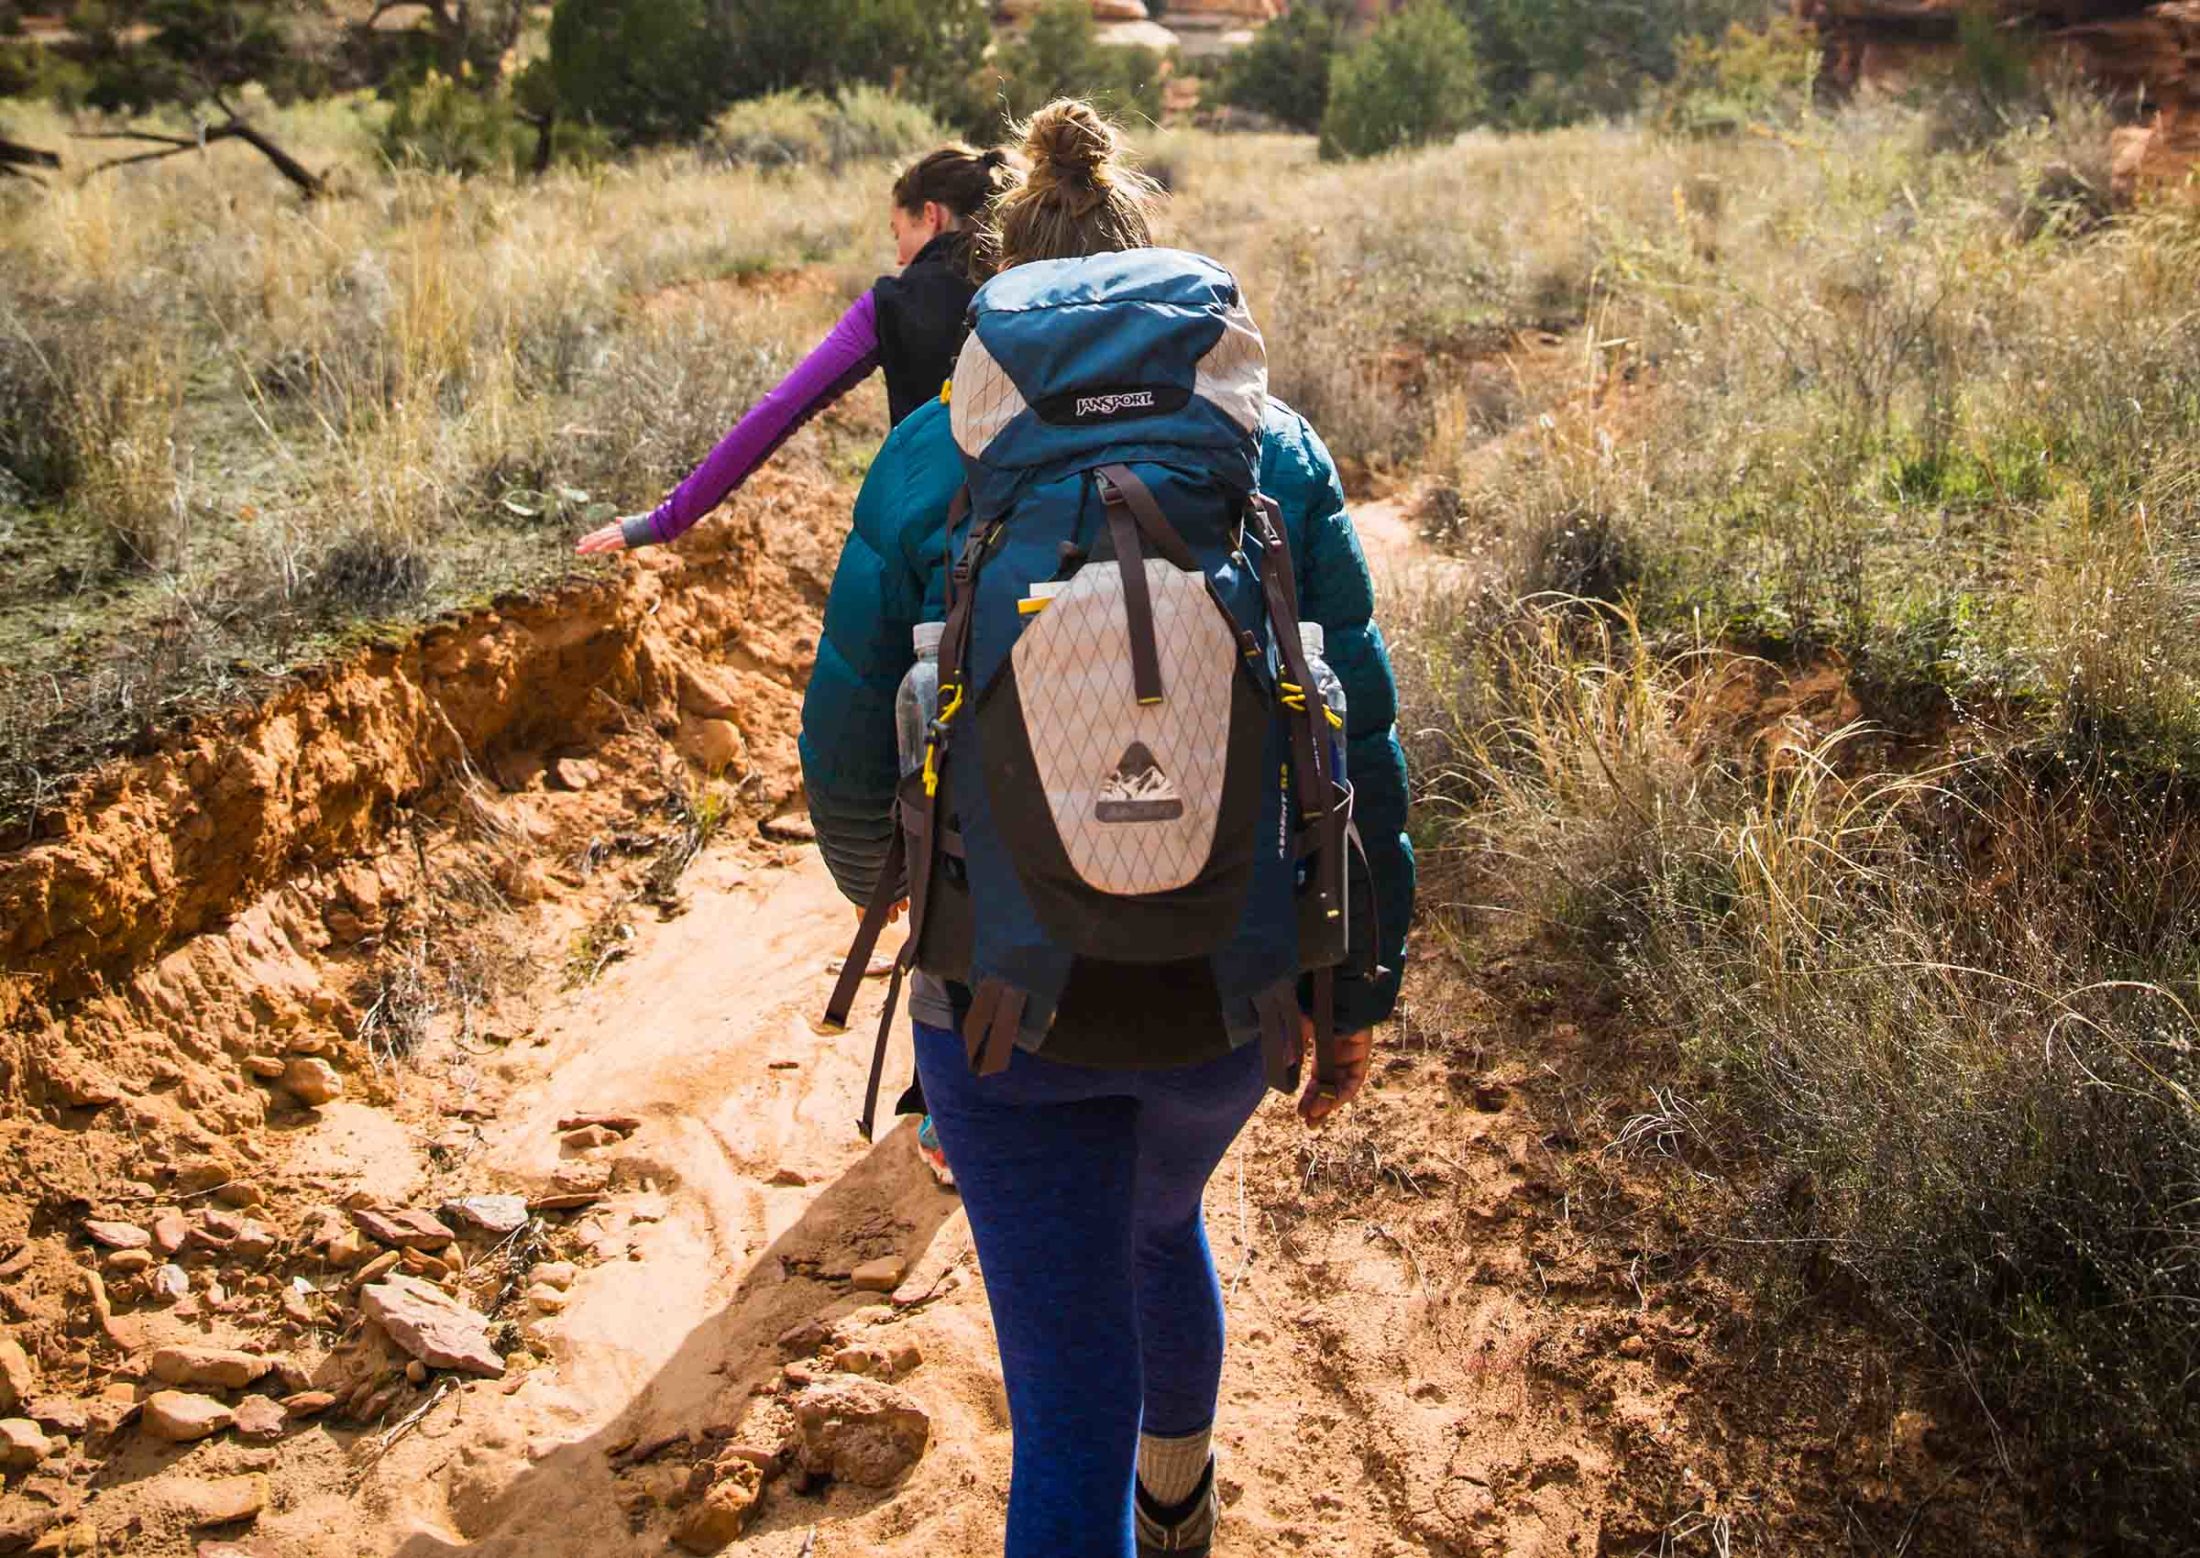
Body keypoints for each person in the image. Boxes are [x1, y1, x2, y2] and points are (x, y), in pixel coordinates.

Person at [799, 100, 1414, 1557]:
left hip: (998, 1010)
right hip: (1231, 982)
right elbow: (1364, 735)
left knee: (1062, 1388)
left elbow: (837, 743)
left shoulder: (933, 458)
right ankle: (1182, 1499)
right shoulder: (1275, 447)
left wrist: (903, 902)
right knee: (1157, 1222)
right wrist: (1358, 989)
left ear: (1007, 292)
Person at [575, 141, 1016, 557]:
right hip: (1047, 518)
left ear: (931, 216)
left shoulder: (892, 305)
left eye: (898, 232)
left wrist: (667, 519)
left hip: (939, 531)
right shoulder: (1037, 285)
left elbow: (782, 408)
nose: (900, 258)